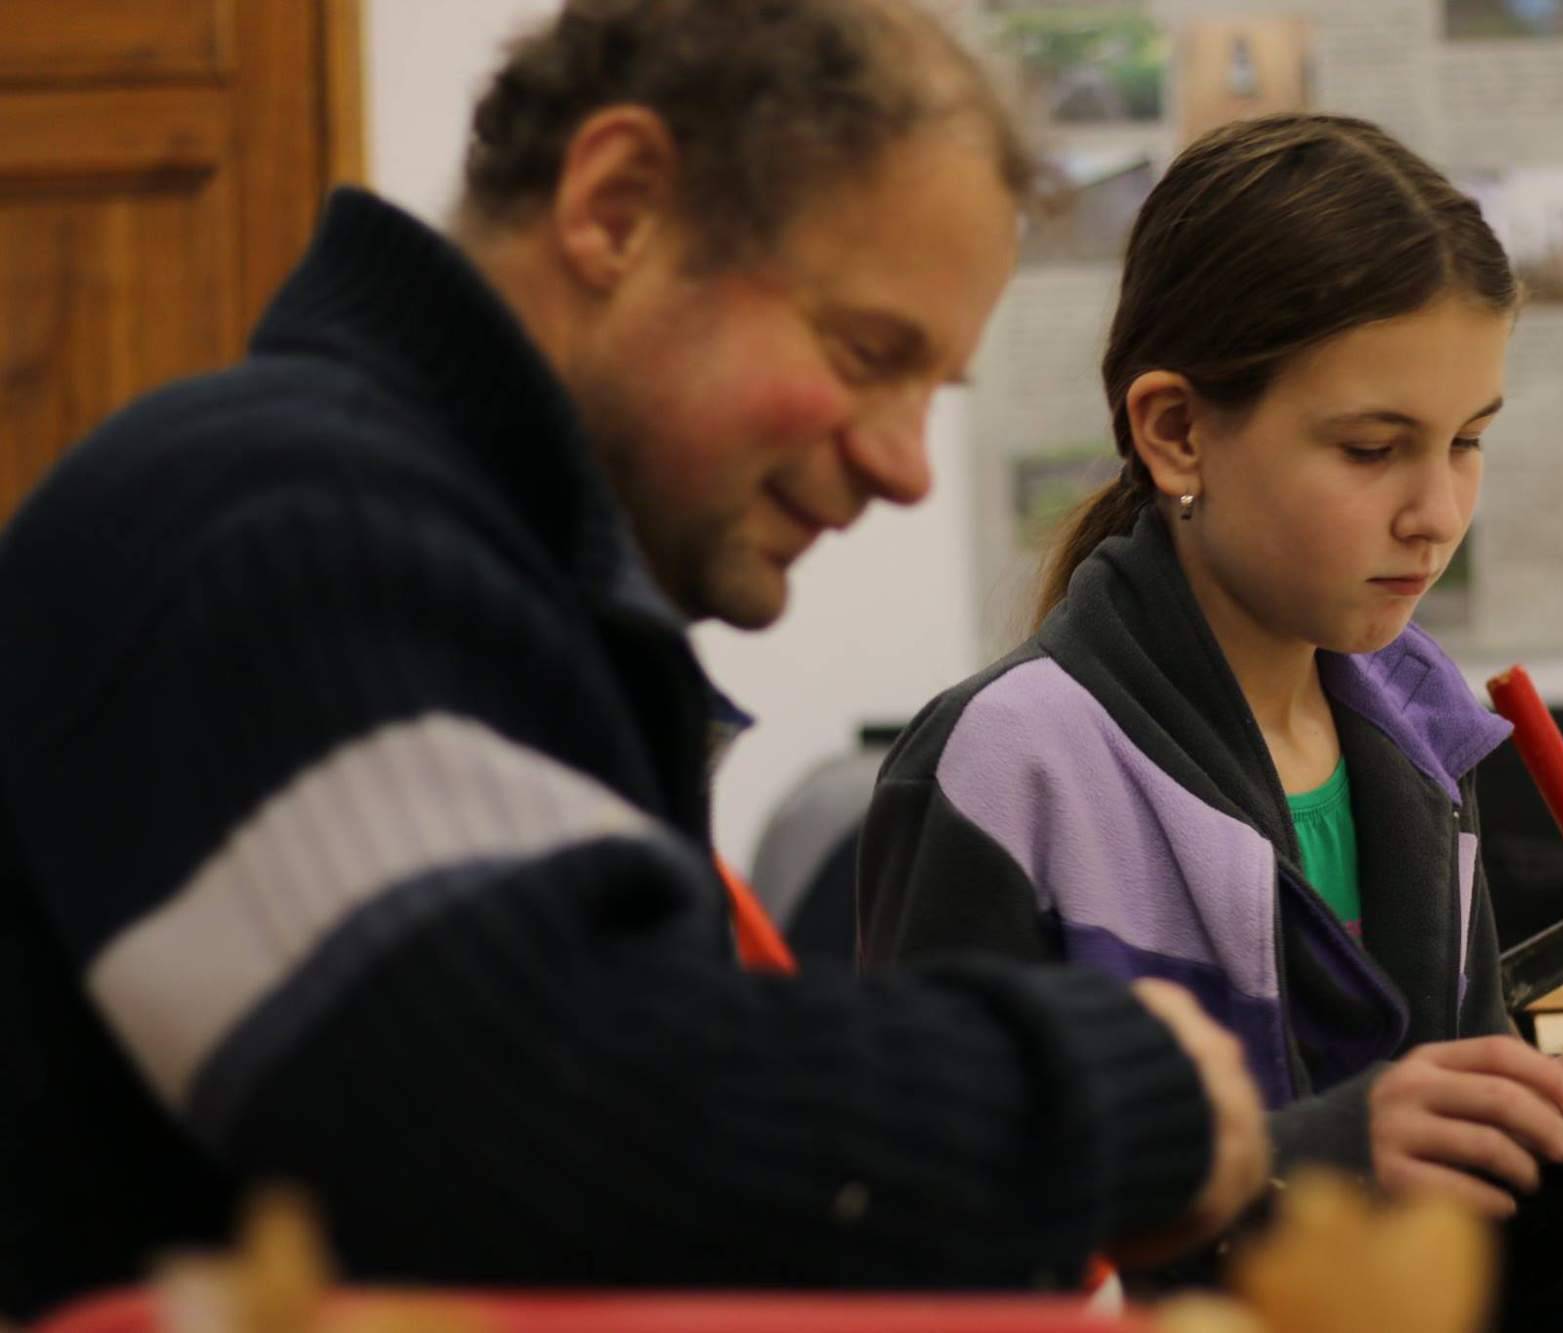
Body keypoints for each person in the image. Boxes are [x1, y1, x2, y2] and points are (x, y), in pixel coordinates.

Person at [0, 1, 1274, 1321]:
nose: (905, 467)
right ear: (618, 210)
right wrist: (1111, 1090)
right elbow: (524, 1121)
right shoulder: (263, 520)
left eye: (928, 391)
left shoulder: (464, 576)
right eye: (866, 354)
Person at [856, 113, 1563, 1316]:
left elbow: (1451, 1209)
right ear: (1176, 431)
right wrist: (1301, 1166)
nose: (1436, 513)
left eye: (1466, 442)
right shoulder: (1006, 770)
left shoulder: (1421, 735)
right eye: (1370, 449)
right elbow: (932, 1239)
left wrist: (1556, 1125)